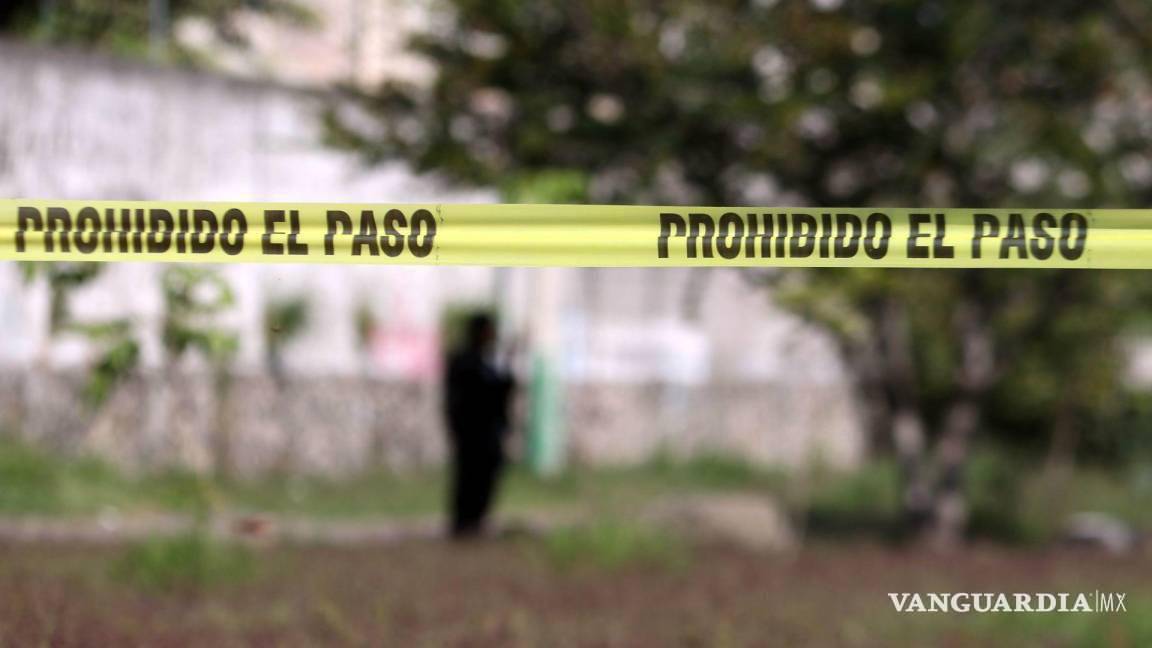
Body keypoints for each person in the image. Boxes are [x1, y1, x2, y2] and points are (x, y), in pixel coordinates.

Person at [443, 312, 515, 539]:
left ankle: (475, 519)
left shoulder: (483, 362)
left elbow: (499, 389)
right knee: (469, 478)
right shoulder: (466, 362)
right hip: (472, 433)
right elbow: (479, 395)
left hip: (485, 434)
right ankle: (465, 522)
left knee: (483, 478)